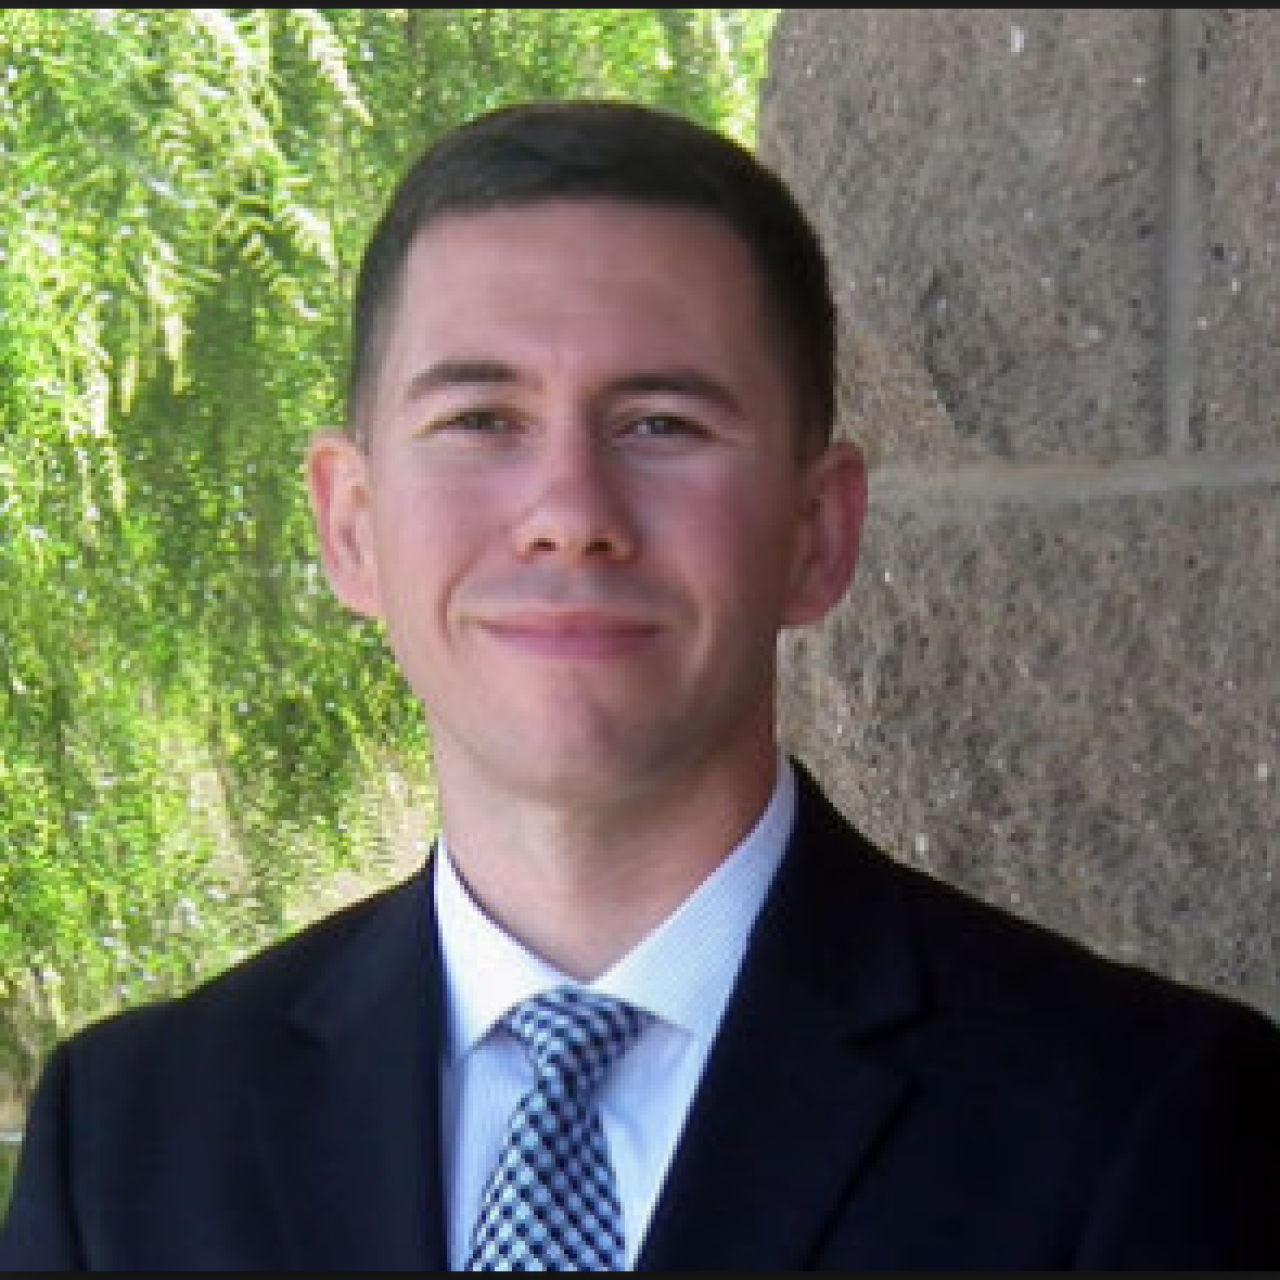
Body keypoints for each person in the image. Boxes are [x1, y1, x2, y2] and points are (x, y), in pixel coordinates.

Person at [2, 98, 1279, 1272]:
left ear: (815, 532)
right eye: (480, 421)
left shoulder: (1143, 1116)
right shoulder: (123, 1147)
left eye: (660, 423)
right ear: (349, 524)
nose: (569, 515)